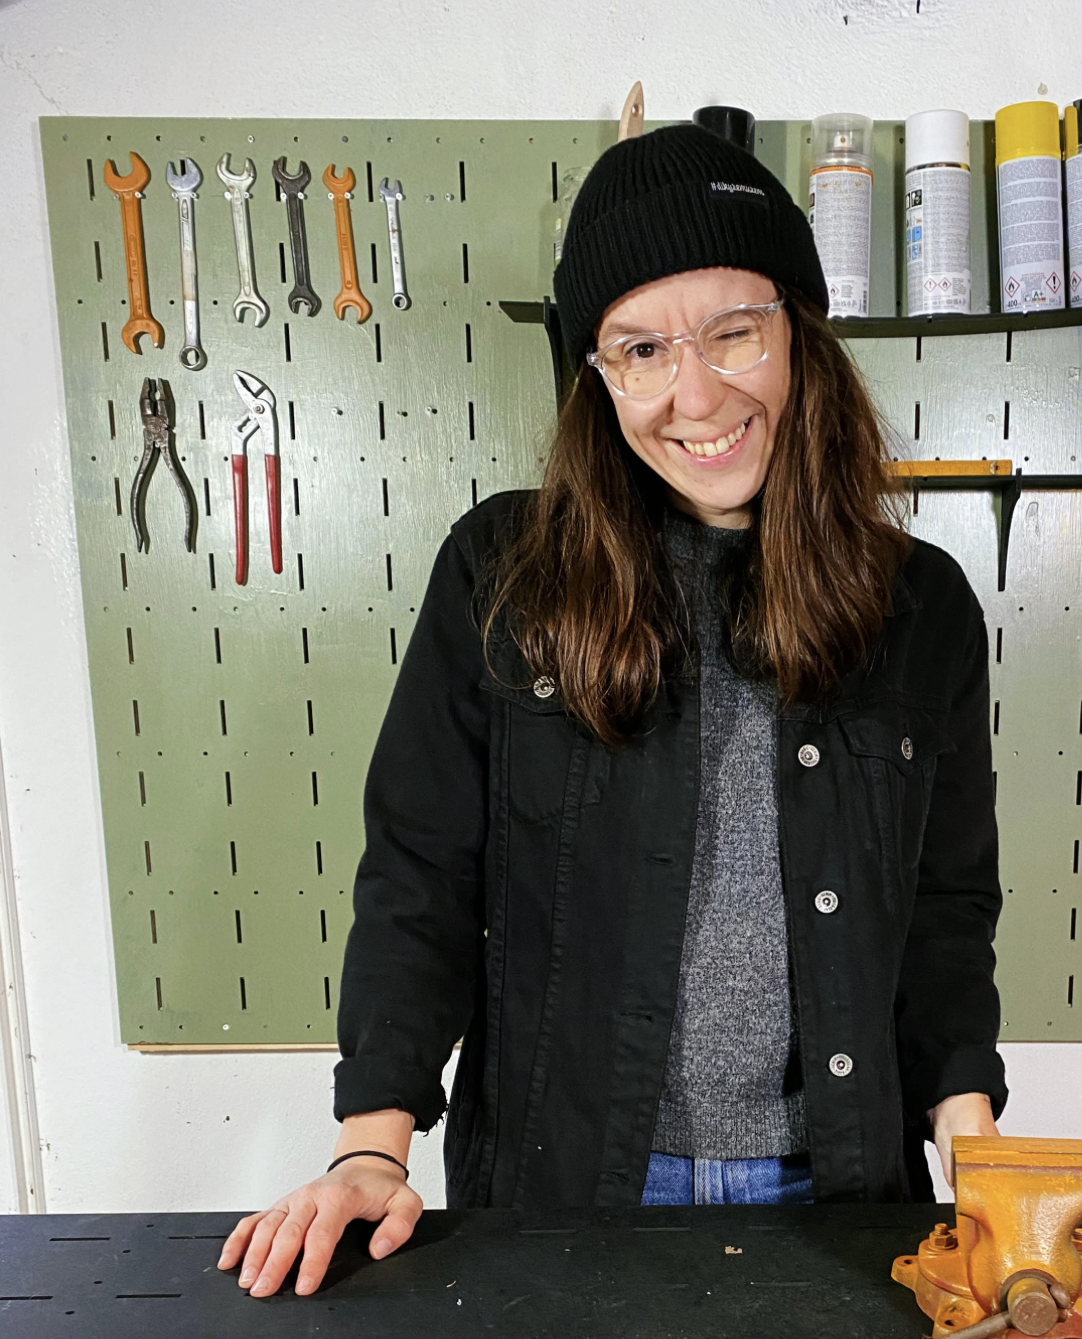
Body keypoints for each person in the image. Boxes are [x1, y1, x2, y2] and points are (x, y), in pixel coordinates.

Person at [221, 123, 1018, 1299]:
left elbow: (943, 910)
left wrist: (980, 1148)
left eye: (733, 331)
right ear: (594, 373)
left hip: (842, 1189)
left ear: (798, 332)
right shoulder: (501, 572)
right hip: (565, 1183)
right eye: (641, 348)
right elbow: (420, 878)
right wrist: (368, 1151)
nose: (695, 394)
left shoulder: (919, 604)